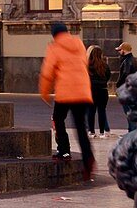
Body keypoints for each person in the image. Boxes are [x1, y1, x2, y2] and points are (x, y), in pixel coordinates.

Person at [39, 22, 95, 181]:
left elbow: (47, 72)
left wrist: (44, 93)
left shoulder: (54, 47)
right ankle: (88, 159)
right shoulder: (79, 44)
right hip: (83, 92)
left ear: (54, 34)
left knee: (58, 119)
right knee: (81, 128)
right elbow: (84, 64)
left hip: (65, 92)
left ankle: (64, 150)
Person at [85, 45, 111, 138]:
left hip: (91, 90)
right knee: (102, 111)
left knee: (91, 111)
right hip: (103, 90)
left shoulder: (87, 65)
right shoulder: (105, 65)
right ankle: (102, 132)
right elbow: (108, 76)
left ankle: (91, 131)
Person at [116, 42, 137, 131]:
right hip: (132, 89)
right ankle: (131, 130)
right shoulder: (132, 60)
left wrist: (118, 85)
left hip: (127, 90)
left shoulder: (127, 61)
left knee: (129, 111)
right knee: (131, 110)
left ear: (124, 50)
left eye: (120, 50)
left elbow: (125, 74)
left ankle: (132, 131)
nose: (119, 52)